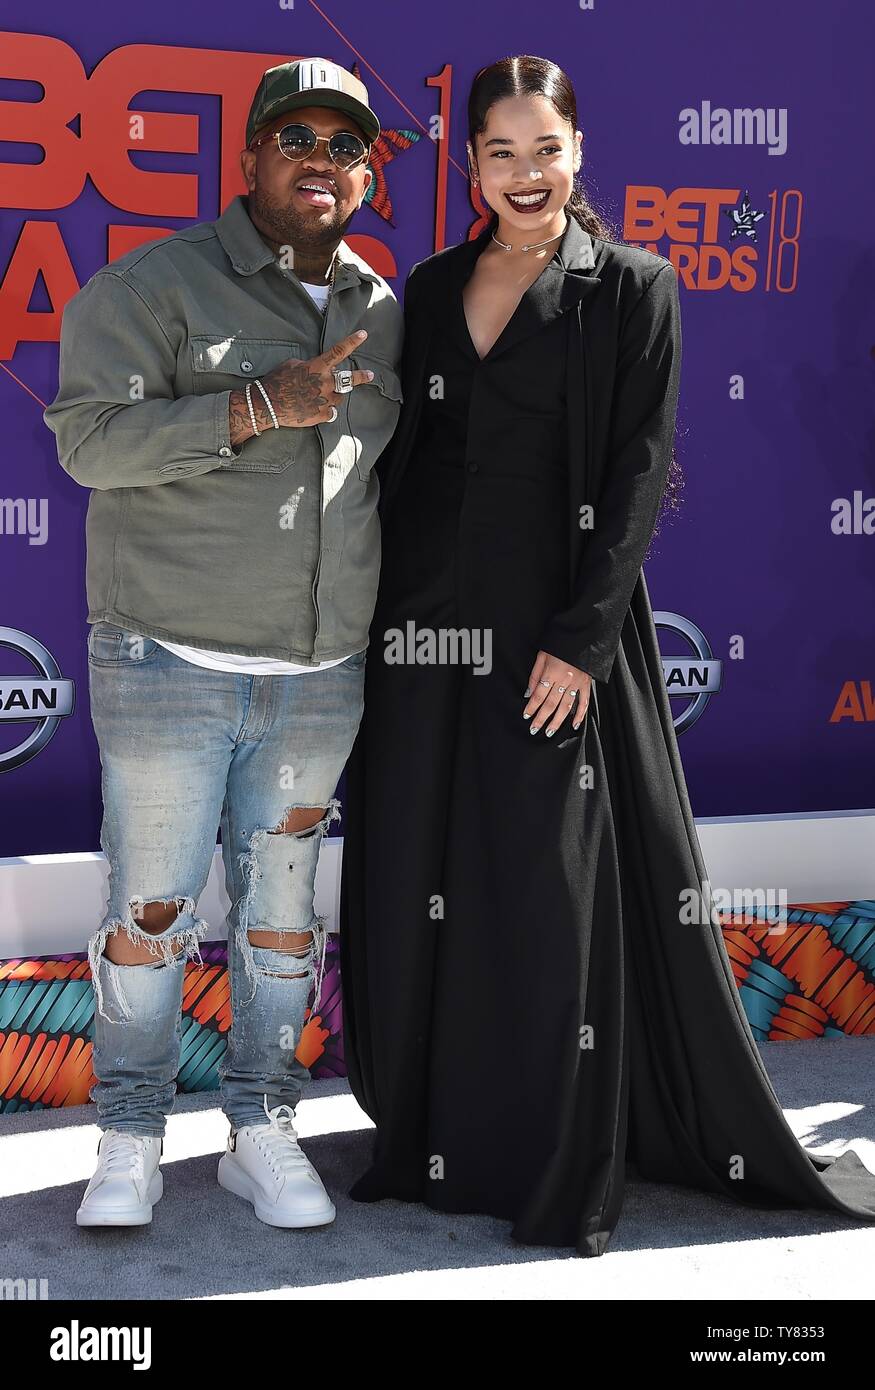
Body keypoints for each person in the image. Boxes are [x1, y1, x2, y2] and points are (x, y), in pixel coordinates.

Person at [338, 54, 875, 1258]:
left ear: (578, 153)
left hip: (554, 629)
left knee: (544, 890)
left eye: (544, 149)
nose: (524, 175)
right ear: (465, 161)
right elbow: (396, 466)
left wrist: (577, 641)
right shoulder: (424, 288)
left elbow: (637, 474)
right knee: (419, 869)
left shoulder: (632, 287)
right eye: (499, 152)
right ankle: (427, 1141)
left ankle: (556, 1154)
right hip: (420, 634)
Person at [43, 58, 403, 1229]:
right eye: (293, 135)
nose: (320, 158)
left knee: (281, 922)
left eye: (344, 143)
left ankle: (261, 1126)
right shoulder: (152, 287)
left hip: (318, 673)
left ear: (365, 172)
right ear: (247, 157)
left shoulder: (382, 309)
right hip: (168, 659)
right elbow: (89, 446)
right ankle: (129, 1135)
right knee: (150, 910)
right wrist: (253, 406)